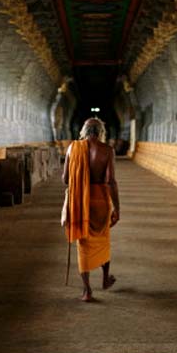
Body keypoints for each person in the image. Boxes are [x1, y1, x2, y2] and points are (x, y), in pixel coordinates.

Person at [62, 117, 120, 302]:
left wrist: (79, 177)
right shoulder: (107, 151)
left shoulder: (73, 148)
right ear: (100, 132)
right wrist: (117, 208)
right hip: (100, 201)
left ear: (84, 131)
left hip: (81, 201)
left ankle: (87, 290)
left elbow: (65, 179)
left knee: (84, 245)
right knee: (103, 241)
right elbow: (110, 181)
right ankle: (105, 279)